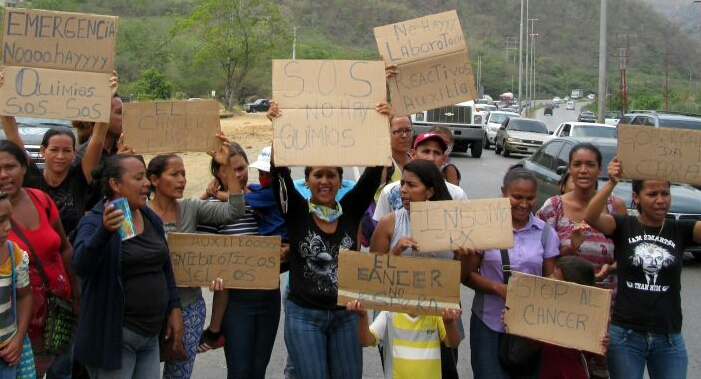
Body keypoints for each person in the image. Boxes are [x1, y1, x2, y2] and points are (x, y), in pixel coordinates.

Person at [268, 100, 390, 378]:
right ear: (307, 180)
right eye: (317, 175)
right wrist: (278, 127)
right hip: (303, 316)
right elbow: (278, 174)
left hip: (346, 315)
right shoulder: (296, 211)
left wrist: (382, 124)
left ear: (339, 180)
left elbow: (373, 172)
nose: (324, 181)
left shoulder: (351, 208)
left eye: (331, 175)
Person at [583, 156, 701, 379]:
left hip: (669, 338)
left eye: (665, 194)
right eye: (652, 194)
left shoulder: (681, 229)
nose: (660, 200)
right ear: (636, 197)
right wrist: (612, 182)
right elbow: (590, 216)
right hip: (626, 337)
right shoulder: (623, 225)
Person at [71, 154, 183, 378]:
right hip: (115, 339)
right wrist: (103, 233)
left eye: (146, 177)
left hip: (150, 337)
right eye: (138, 178)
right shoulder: (94, 221)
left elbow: (165, 268)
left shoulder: (150, 218)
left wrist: (175, 308)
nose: (147, 184)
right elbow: (80, 265)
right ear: (115, 185)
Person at [146, 134, 245, 379]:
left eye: (184, 174)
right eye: (174, 174)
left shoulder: (191, 208)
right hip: (147, 309)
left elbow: (235, 210)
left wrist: (226, 168)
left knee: (178, 374)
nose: (182, 180)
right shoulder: (139, 213)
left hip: (188, 307)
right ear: (154, 180)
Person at [369, 159, 470, 378]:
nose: (403, 190)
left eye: (411, 185)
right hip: (400, 318)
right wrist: (396, 252)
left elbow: (460, 277)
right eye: (402, 184)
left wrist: (460, 256)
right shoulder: (389, 223)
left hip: (441, 314)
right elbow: (372, 277)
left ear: (430, 191)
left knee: (446, 370)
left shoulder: (452, 225)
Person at [536, 143, 626, 378]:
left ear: (600, 170)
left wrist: (610, 268)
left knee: (600, 370)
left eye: (590, 165)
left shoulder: (615, 206)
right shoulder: (552, 208)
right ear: (570, 170)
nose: (584, 170)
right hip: (562, 312)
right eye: (577, 164)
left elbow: (628, 255)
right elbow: (541, 260)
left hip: (606, 308)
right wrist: (571, 247)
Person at [462, 167, 560, 379]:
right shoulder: (485, 227)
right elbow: (466, 275)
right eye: (516, 197)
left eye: (530, 198)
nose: (523, 204)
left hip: (530, 327)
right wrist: (497, 288)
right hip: (489, 321)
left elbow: (552, 282)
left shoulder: (545, 233)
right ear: (503, 192)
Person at [196, 142, 282, 379]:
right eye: (230, 170)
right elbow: (203, 253)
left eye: (242, 168)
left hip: (269, 297)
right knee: (240, 371)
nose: (238, 174)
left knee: (257, 371)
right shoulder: (211, 208)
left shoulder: (263, 200)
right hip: (236, 302)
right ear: (218, 173)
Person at [0, 72, 119, 238]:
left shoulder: (79, 179)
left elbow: (98, 138)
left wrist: (106, 97)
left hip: (70, 254)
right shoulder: (31, 176)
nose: (60, 156)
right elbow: (12, 134)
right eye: (54, 150)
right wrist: (3, 91)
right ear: (43, 151)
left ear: (74, 153)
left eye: (67, 151)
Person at [0, 140, 78, 377]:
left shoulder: (41, 200)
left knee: (58, 372)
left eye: (10, 166)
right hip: (14, 328)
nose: (3, 175)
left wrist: (76, 295)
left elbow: (64, 248)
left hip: (55, 315)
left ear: (24, 167)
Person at [346, 299, 462, 379]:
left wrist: (449, 323)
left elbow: (454, 343)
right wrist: (363, 316)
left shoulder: (436, 314)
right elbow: (365, 340)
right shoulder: (388, 314)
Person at [372, 132, 467, 223]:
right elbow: (379, 230)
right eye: (426, 151)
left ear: (444, 159)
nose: (431, 158)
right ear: (413, 154)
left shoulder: (457, 194)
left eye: (437, 153)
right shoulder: (389, 192)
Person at [359, 115, 413, 248]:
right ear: (387, 134)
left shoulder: (416, 162)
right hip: (386, 234)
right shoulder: (382, 165)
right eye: (398, 131)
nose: (404, 135)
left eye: (408, 130)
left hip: (411, 230)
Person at [0, 191, 33, 376]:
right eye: (0, 220)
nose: (7, 227)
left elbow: (25, 295)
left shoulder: (15, 254)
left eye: (8, 219)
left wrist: (19, 338)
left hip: (7, 357)